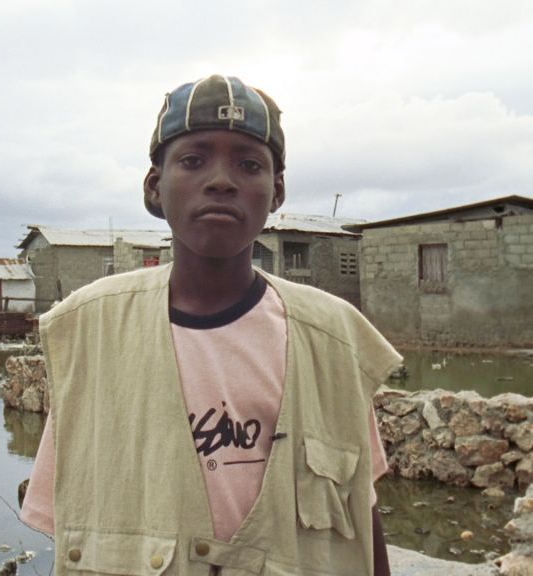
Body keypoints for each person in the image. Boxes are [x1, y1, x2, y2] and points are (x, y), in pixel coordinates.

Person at [20, 74, 401, 575]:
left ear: (276, 190)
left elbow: (360, 514)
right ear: (155, 187)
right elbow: (74, 517)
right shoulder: (92, 334)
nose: (222, 180)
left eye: (248, 163)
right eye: (194, 160)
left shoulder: (332, 340)